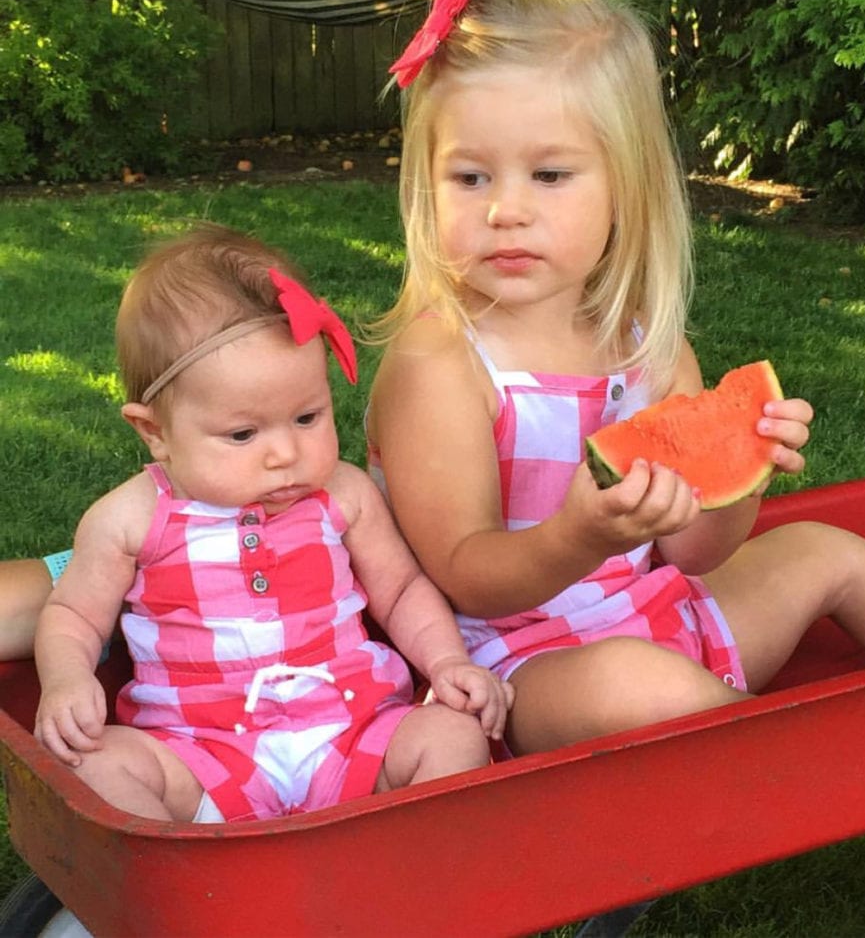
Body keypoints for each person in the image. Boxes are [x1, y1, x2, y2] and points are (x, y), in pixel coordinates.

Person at [365, 0, 865, 758]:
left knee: (826, 551)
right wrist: (578, 536)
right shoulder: (440, 359)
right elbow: (466, 571)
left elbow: (697, 549)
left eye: (549, 174)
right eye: (469, 177)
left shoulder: (645, 339)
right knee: (643, 686)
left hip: (665, 608)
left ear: (625, 187)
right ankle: (816, 769)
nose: (506, 209)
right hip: (515, 672)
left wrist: (744, 474)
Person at [32, 224, 513, 823]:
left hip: (352, 731)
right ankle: (188, 892)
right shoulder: (130, 519)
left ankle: (405, 880)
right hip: (200, 752)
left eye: (308, 417)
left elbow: (402, 589)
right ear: (154, 432)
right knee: (98, 766)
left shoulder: (343, 493)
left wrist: (447, 663)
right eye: (243, 434)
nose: (285, 453)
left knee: (452, 736)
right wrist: (67, 680)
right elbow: (74, 613)